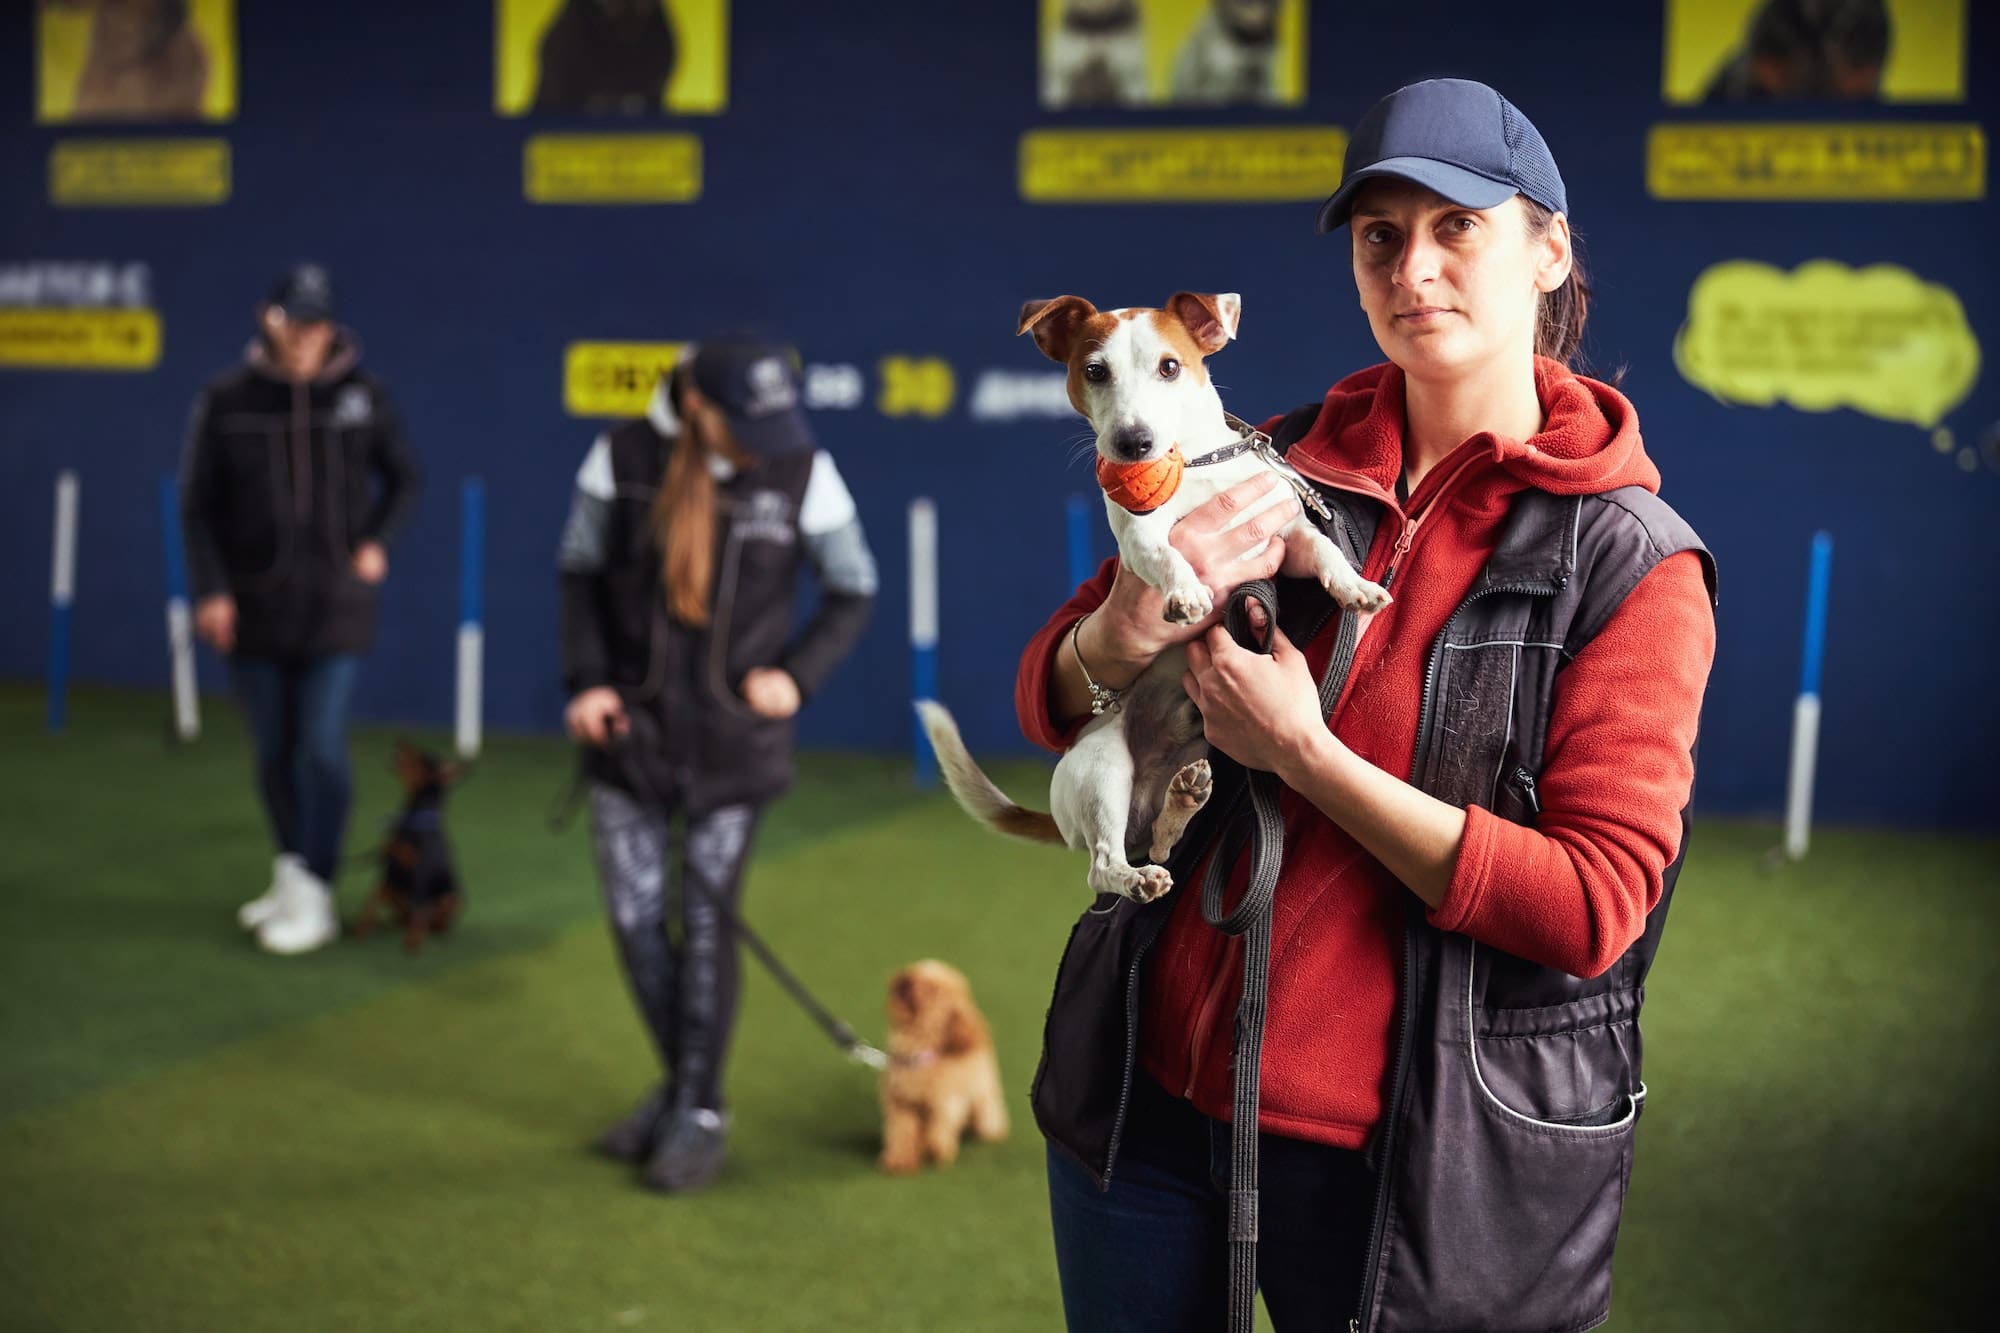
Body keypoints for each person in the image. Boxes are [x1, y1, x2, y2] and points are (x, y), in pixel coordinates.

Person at [1018, 79, 1718, 1331]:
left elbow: (1588, 905)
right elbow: (1055, 694)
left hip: (1406, 1162)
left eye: (1459, 227)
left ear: (1548, 249)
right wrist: (1113, 634)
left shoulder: (1631, 561)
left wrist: (1304, 754)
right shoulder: (1258, 452)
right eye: (1380, 237)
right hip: (1143, 1106)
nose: (1415, 267)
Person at [556, 336, 877, 1193]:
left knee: (705, 929)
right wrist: (586, 681)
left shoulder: (803, 468)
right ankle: (683, 1088)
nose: (766, 438)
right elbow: (579, 570)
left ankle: (696, 1110)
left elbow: (854, 584)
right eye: (748, 421)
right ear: (698, 406)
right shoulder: (622, 456)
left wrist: (795, 678)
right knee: (633, 919)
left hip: (734, 743)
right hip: (628, 737)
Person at [181, 263, 421, 956]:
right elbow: (198, 507)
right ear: (269, 317)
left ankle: (315, 890)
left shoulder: (364, 397)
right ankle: (291, 872)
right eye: (295, 321)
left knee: (319, 743)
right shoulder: (226, 400)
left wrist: (377, 542)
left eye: (319, 324)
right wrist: (212, 590)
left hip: (337, 606)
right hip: (252, 605)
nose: (307, 338)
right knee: (273, 750)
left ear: (332, 326)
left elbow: (407, 477)